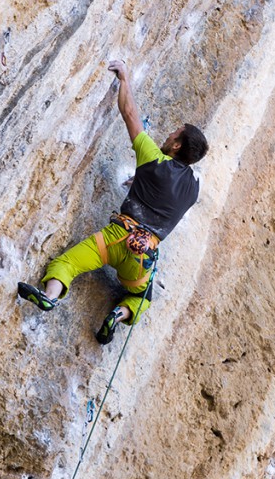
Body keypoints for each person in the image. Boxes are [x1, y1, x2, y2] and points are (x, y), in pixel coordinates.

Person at [17, 59, 209, 344]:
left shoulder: (154, 159)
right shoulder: (193, 189)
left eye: (173, 134)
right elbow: (165, 201)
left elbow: (129, 113)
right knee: (141, 298)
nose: (168, 135)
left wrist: (124, 80)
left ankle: (49, 297)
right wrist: (140, 181)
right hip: (143, 255)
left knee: (67, 263)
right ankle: (118, 314)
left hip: (116, 237)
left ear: (177, 145)